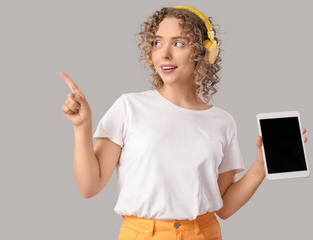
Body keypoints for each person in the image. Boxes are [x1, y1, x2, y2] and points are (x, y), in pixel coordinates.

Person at [60, 5, 308, 240]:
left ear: (203, 51)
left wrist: (261, 166)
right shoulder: (128, 107)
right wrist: (82, 127)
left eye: (178, 43)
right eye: (157, 43)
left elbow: (224, 206)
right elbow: (89, 187)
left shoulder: (222, 121)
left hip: (204, 232)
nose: (164, 53)